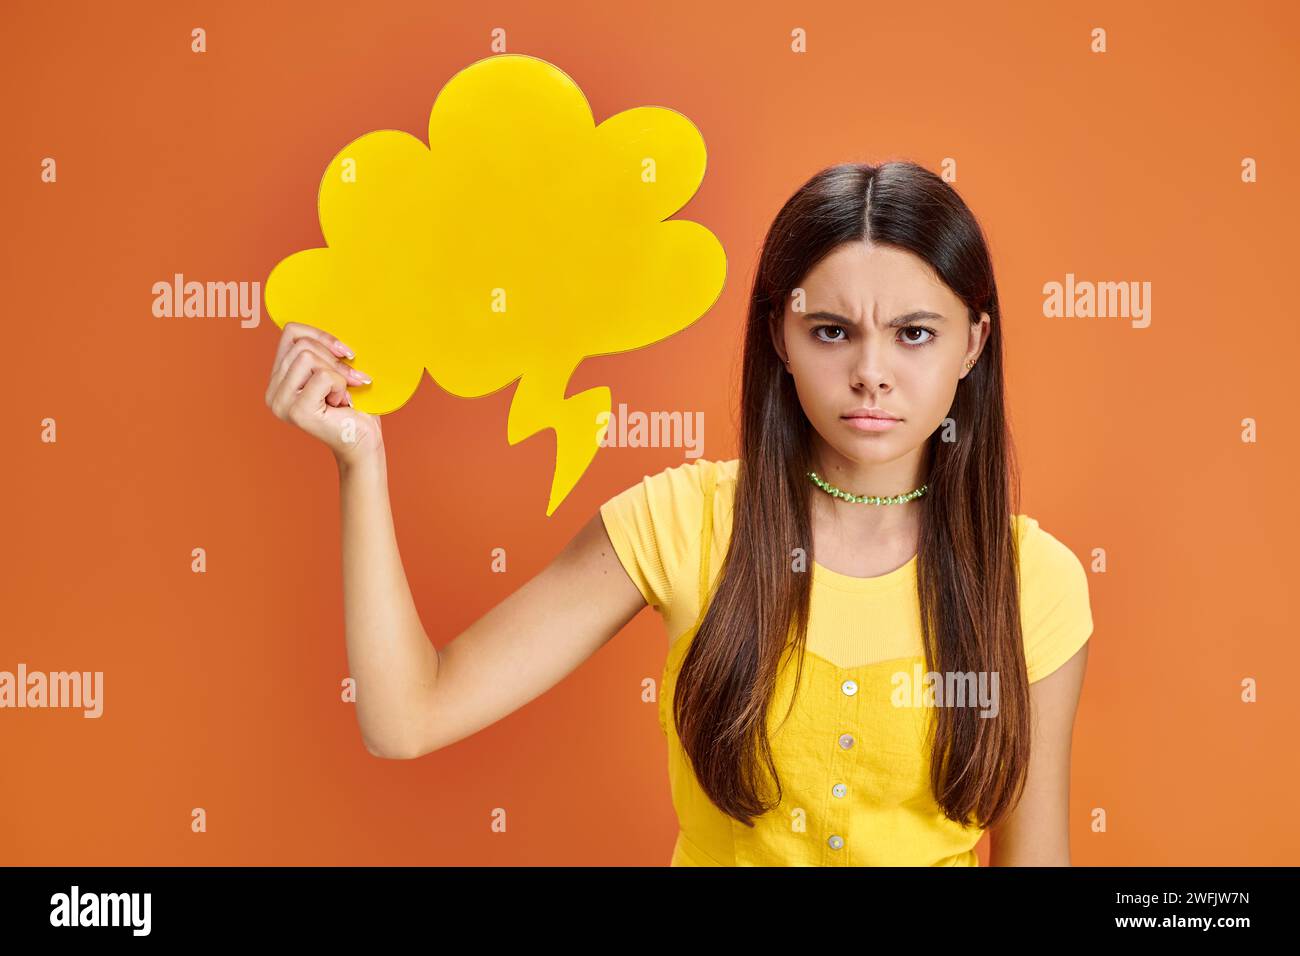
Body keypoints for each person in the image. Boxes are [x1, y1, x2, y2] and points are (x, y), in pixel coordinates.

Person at [264, 160, 1093, 867]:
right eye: (833, 331)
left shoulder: (1034, 583)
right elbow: (407, 716)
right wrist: (358, 461)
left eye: (914, 334)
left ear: (973, 344)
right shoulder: (681, 522)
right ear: (779, 335)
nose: (871, 372)